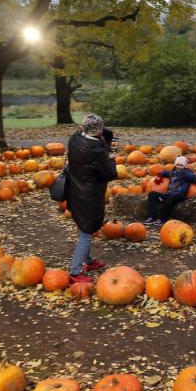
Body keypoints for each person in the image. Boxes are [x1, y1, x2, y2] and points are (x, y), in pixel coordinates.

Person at [66, 114, 118, 283]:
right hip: (89, 195)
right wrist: (112, 158)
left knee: (84, 226)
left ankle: (88, 261)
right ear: (99, 131)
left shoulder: (75, 140)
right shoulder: (97, 152)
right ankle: (75, 271)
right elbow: (110, 174)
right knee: (86, 233)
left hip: (75, 190)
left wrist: (105, 136)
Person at [144, 156, 196, 226]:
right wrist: (160, 176)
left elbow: (194, 178)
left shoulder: (186, 173)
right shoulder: (172, 172)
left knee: (171, 197)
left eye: (181, 165)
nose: (179, 167)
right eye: (177, 164)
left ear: (184, 166)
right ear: (175, 164)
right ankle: (152, 216)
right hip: (169, 194)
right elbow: (165, 172)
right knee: (152, 194)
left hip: (179, 194)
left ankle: (161, 219)